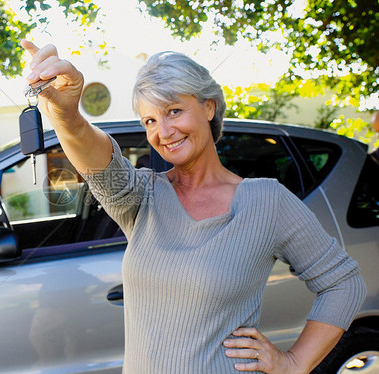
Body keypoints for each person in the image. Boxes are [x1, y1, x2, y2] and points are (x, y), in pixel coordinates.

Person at [20, 40, 367, 374]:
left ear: (209, 106)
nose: (164, 131)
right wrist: (66, 114)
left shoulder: (267, 202)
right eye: (150, 121)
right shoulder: (142, 197)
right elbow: (96, 160)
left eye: (174, 111)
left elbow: (344, 283)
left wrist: (294, 363)